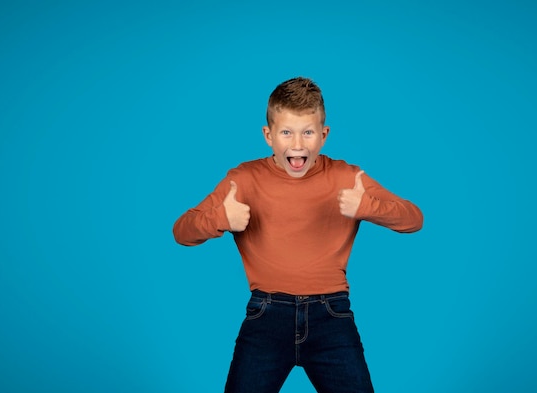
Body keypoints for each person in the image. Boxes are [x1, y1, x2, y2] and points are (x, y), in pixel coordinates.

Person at [173, 77, 423, 393]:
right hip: (266, 315)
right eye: (286, 132)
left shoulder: (347, 177)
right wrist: (221, 217)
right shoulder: (244, 179)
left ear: (323, 135)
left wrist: (368, 206)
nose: (297, 144)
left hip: (332, 315)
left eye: (308, 132)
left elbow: (414, 218)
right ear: (268, 135)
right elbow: (182, 230)